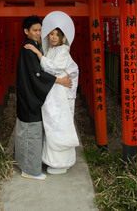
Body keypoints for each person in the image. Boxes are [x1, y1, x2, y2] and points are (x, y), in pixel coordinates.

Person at [15, 15, 72, 181]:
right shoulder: (28, 48)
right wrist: (59, 80)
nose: (38, 33)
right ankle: (30, 170)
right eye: (34, 30)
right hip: (30, 96)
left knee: (27, 132)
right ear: (26, 31)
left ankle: (23, 163)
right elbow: (37, 74)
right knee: (31, 134)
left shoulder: (34, 46)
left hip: (29, 94)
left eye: (40, 30)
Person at [24, 11, 80, 175]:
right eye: (51, 34)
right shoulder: (51, 51)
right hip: (53, 92)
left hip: (59, 94)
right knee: (52, 124)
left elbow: (53, 68)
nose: (54, 37)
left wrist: (38, 53)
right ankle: (52, 160)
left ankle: (62, 162)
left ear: (63, 37)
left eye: (57, 35)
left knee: (60, 124)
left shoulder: (63, 51)